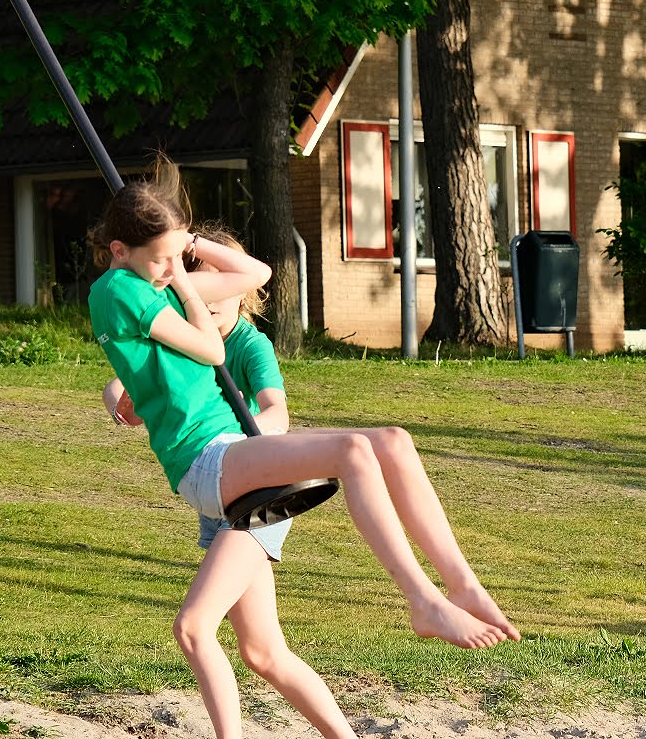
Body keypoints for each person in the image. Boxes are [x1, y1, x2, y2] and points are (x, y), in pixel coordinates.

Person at [89, 160, 516, 736]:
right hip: (208, 460)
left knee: (390, 442)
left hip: (233, 453)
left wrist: (181, 245)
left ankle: (460, 585)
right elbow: (209, 352)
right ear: (120, 250)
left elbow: (252, 276)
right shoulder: (120, 288)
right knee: (353, 453)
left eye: (174, 258)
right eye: (160, 259)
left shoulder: (151, 284)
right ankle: (421, 599)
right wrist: (182, 283)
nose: (171, 270)